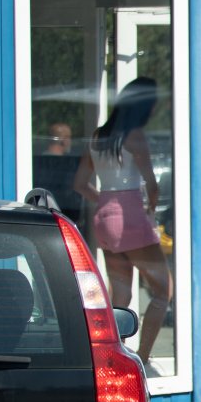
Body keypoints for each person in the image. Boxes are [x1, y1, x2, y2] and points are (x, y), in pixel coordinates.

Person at [72, 77, 173, 362]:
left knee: (120, 293)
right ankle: (142, 355)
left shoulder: (97, 136)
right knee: (164, 290)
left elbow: (80, 183)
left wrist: (104, 203)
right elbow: (152, 186)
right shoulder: (135, 135)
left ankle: (110, 354)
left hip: (104, 217)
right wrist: (150, 210)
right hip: (131, 216)